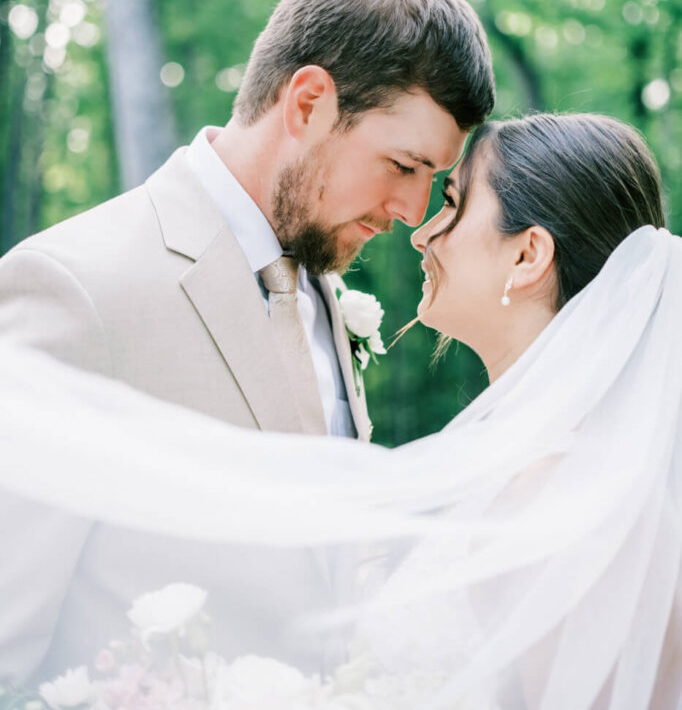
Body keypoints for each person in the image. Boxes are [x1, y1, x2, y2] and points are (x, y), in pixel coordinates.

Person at [1, 111, 680, 709]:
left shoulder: (565, 495)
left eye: (452, 203)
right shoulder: (513, 463)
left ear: (528, 254)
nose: (420, 232)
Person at [0, 0, 494, 681]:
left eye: (433, 181)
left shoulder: (324, 290)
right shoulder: (73, 289)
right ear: (306, 104)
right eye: (403, 165)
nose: (409, 214)